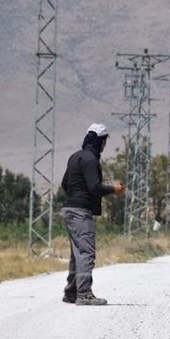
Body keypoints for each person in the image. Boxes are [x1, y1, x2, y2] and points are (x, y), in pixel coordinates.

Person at [60, 123, 124, 306]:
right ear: (100, 142)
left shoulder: (75, 157)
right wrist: (114, 188)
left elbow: (65, 184)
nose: (104, 145)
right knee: (87, 252)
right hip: (80, 212)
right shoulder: (90, 160)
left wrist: (76, 195)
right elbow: (94, 187)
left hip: (69, 209)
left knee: (77, 253)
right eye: (104, 141)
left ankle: (71, 292)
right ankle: (84, 294)